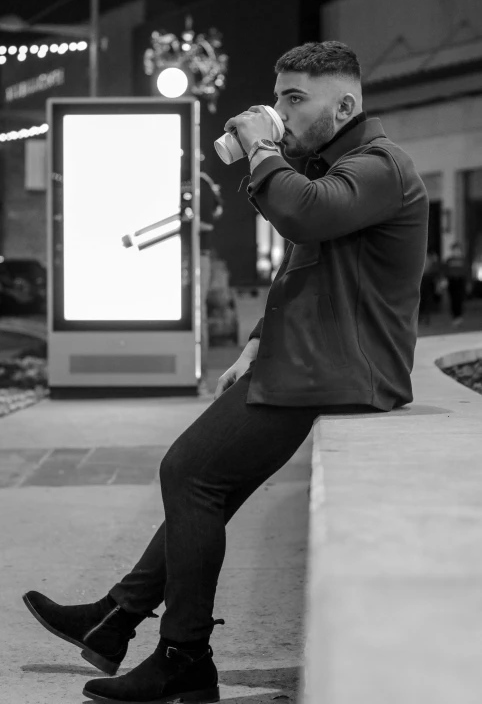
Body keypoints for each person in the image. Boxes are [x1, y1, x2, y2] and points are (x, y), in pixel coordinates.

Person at [22, 41, 429, 704]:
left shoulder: (380, 166)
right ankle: (114, 619)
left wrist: (264, 148)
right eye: (280, 98)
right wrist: (256, 343)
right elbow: (314, 265)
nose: (280, 113)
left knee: (188, 471)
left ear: (346, 105)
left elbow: (305, 213)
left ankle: (181, 654)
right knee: (204, 484)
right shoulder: (338, 164)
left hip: (342, 367)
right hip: (311, 359)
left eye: (295, 100)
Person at [198, 164, 224, 394]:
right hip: (194, 256)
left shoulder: (200, 183)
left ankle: (199, 378)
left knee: (198, 314)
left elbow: (206, 222)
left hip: (197, 257)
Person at [443, 242, 470, 326]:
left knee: (460, 299)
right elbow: (445, 271)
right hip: (452, 281)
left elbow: (467, 272)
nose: (456, 252)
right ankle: (455, 317)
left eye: (457, 250)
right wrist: (444, 280)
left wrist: (469, 283)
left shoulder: (464, 260)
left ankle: (459, 316)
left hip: (461, 281)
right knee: (453, 299)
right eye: (454, 250)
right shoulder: (449, 260)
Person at [419, 248, 440, 326]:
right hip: (422, 278)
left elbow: (435, 269)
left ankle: (426, 316)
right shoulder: (423, 256)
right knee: (422, 298)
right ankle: (422, 316)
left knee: (427, 298)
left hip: (428, 279)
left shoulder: (431, 258)